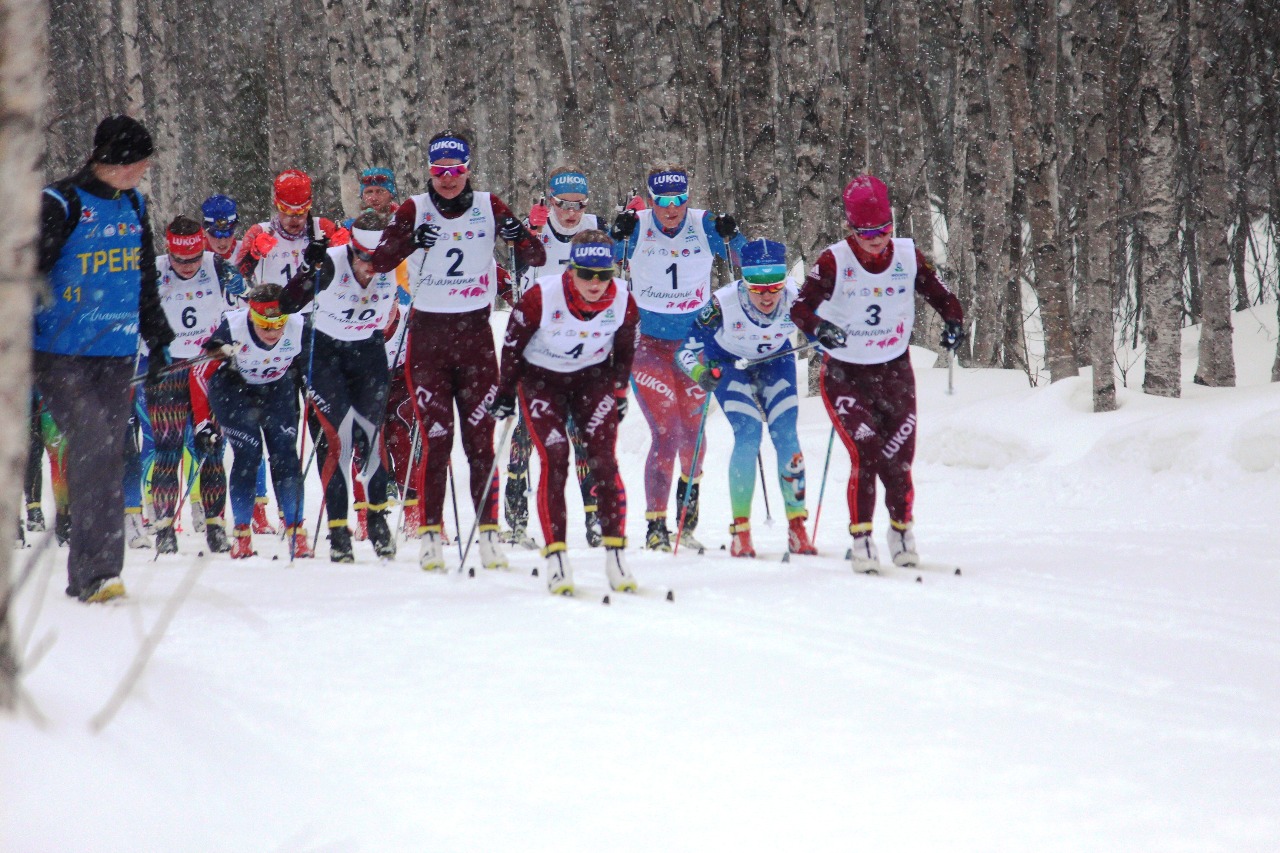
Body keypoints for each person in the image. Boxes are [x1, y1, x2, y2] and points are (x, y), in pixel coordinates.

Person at [370, 130, 546, 572]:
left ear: (467, 170)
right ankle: (430, 535)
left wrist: (517, 235)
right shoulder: (414, 208)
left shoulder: (489, 205)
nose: (448, 179)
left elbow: (537, 256)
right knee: (436, 441)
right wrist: (413, 241)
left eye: (456, 171)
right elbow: (380, 259)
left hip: (475, 341)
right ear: (429, 171)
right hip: (428, 341)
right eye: (439, 171)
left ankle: (488, 536)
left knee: (480, 443)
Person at [790, 175, 965, 572]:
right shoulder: (834, 260)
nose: (876, 239)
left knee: (899, 459)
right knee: (866, 452)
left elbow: (941, 296)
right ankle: (862, 537)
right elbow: (800, 309)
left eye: (883, 229)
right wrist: (820, 328)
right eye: (866, 231)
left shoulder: (907, 255)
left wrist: (954, 321)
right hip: (846, 375)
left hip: (894, 371)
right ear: (850, 228)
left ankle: (901, 530)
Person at [33, 114, 174, 602]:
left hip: (116, 351)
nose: (141, 170)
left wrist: (159, 341)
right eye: (135, 161)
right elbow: (26, 276)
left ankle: (98, 573)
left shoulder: (134, 205)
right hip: (60, 352)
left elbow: (144, 281)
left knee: (110, 455)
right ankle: (93, 570)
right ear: (109, 159)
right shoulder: (61, 203)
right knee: (93, 443)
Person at [491, 231, 639, 594]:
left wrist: (619, 391)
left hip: (592, 380)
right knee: (556, 457)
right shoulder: (542, 296)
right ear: (570, 270)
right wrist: (506, 390)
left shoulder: (624, 301)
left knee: (603, 460)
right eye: (585, 273)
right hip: (542, 381)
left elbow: (624, 351)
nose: (594, 283)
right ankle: (557, 557)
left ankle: (616, 555)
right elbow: (512, 345)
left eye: (603, 274)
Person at [610, 164, 747, 552]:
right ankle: (656, 527)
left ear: (689, 196)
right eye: (663, 201)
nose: (672, 209)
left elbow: (747, 262)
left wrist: (733, 235)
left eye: (679, 200)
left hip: (694, 347)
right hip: (649, 346)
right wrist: (613, 236)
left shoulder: (703, 225)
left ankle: (686, 524)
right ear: (650, 199)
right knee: (666, 433)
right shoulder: (636, 225)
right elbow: (593, 263)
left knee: (695, 439)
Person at [676, 238, 818, 558]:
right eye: (757, 287)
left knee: (786, 434)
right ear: (744, 280)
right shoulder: (722, 303)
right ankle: (741, 532)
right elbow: (685, 352)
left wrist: (829, 344)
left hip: (775, 363)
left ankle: (797, 527)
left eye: (774, 286)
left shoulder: (797, 298)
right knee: (748, 433)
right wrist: (702, 373)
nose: (767, 296)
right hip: (728, 365)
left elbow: (822, 333)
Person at [281, 211, 399, 561]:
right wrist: (308, 270)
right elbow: (287, 304)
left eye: (378, 259)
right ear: (352, 249)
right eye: (364, 257)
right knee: (337, 440)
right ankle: (338, 530)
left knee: (371, 436)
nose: (371, 266)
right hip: (325, 353)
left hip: (368, 351)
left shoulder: (392, 263)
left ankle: (377, 520)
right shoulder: (331, 263)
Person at [505, 167, 603, 548]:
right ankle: (515, 520)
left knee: (582, 435)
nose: (571, 213)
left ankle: (594, 522)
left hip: (580, 349)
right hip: (538, 349)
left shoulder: (596, 230)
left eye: (579, 205)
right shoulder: (536, 228)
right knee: (525, 436)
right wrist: (524, 240)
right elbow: (515, 281)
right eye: (563, 205)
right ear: (551, 201)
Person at [146, 215, 246, 554]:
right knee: (167, 449)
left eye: (193, 259)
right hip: (168, 367)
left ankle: (216, 525)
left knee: (212, 448)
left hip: (207, 367)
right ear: (169, 252)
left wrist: (239, 283)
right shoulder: (154, 270)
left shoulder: (216, 265)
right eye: (180, 260)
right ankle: (164, 528)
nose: (187, 267)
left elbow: (243, 295)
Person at [191, 284, 313, 559]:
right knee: (249, 454)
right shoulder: (232, 328)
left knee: (286, 455)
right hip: (234, 390)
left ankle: (296, 530)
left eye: (277, 325)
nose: (272, 332)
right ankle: (243, 535)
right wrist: (202, 422)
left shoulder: (298, 326)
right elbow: (199, 372)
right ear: (251, 316)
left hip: (275, 389)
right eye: (263, 325)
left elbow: (315, 364)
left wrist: (315, 388)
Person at [202, 193, 278, 534]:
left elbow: (262, 298)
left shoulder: (245, 252)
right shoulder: (195, 256)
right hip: (208, 354)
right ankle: (206, 512)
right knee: (205, 437)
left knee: (251, 440)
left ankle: (257, 512)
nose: (221, 238)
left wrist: (249, 275)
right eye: (214, 231)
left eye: (227, 229)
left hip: (247, 352)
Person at [236, 169, 349, 287]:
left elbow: (354, 267)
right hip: (273, 304)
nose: (295, 219)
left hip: (316, 303)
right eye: (287, 211)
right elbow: (237, 280)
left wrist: (344, 247)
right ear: (277, 205)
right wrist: (254, 253)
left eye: (301, 212)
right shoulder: (259, 231)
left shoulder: (322, 227)